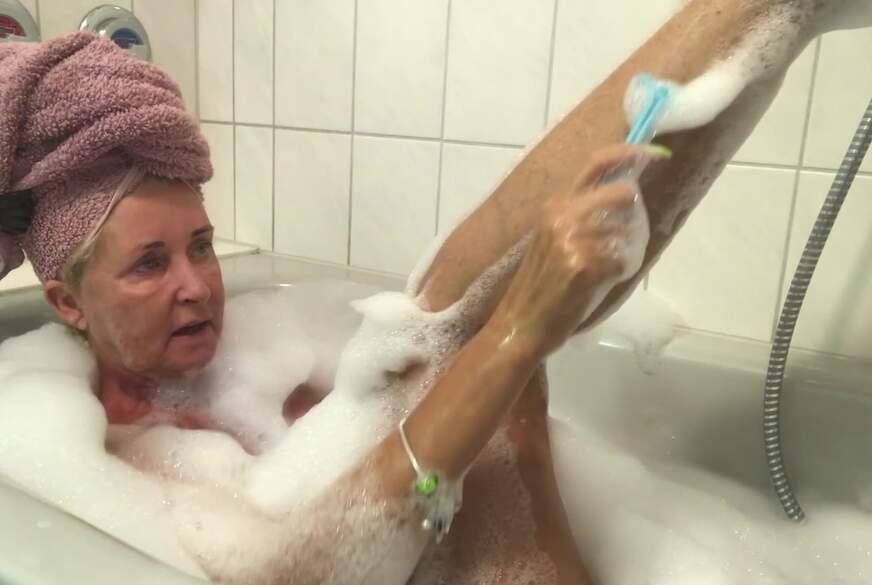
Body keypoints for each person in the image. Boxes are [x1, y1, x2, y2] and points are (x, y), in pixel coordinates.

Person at [0, 1, 864, 583]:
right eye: (149, 265)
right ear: (67, 302)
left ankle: (765, 13)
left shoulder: (274, 351)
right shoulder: (110, 455)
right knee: (459, 325)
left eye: (201, 245)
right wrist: (512, 340)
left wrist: (497, 354)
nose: (196, 285)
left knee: (443, 312)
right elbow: (301, 571)